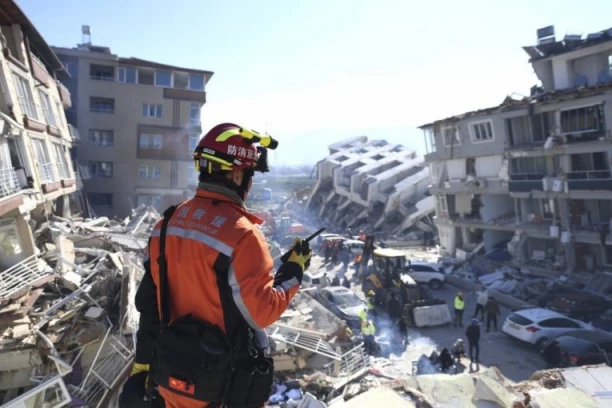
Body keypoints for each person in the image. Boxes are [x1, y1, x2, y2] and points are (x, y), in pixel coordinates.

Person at [121, 124, 312, 408]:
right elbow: (261, 313)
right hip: (220, 388)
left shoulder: (166, 226)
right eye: (249, 176)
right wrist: (293, 272)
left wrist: (143, 365)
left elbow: (149, 303)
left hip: (171, 377)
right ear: (237, 174)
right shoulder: (244, 235)